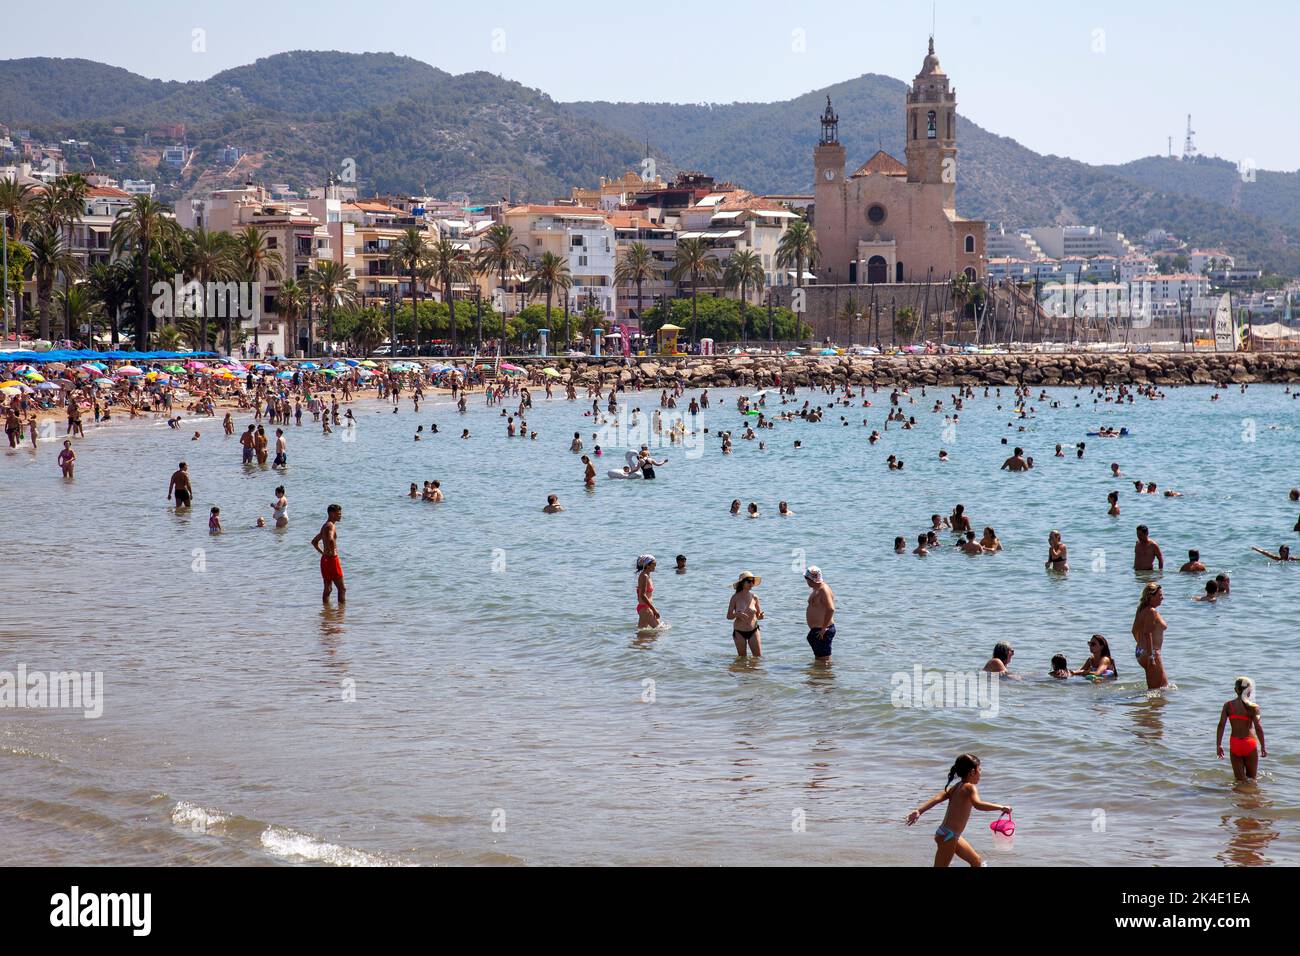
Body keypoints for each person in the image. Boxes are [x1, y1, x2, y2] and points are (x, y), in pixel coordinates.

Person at [905, 754, 1011, 868]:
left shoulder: (956, 786)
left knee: (977, 862)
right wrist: (1001, 807)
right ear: (972, 772)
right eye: (979, 769)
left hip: (948, 834)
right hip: (949, 836)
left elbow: (937, 798)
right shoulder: (970, 787)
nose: (981, 773)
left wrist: (919, 811)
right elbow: (978, 804)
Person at [1216, 677, 1267, 781]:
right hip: (1249, 743)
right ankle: (1250, 796)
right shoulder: (1254, 707)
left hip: (1235, 744)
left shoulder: (1228, 705)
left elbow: (1221, 725)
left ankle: (1238, 796)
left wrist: (1219, 745)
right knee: (1252, 779)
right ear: (1249, 691)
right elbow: (1258, 728)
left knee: (1239, 780)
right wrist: (1263, 746)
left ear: (1236, 690)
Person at [1132, 582, 1168, 689]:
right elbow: (1148, 634)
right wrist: (1151, 657)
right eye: (1160, 596)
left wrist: (1141, 645)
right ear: (1150, 596)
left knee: (1164, 686)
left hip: (1140, 652)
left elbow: (1134, 630)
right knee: (1155, 691)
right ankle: (1151, 705)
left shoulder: (1141, 609)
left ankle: (1151, 705)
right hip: (1151, 653)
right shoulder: (1152, 612)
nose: (1162, 598)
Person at [311, 504, 346, 604]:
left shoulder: (325, 526)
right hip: (332, 560)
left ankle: (326, 612)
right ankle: (341, 613)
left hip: (325, 560)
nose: (340, 515)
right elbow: (330, 539)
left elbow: (314, 541)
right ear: (331, 513)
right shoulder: (331, 526)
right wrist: (332, 550)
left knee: (328, 588)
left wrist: (323, 553)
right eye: (338, 514)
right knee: (342, 589)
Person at [727, 571, 764, 657]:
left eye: (753, 581)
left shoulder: (755, 597)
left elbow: (758, 616)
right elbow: (729, 616)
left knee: (758, 658)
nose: (751, 583)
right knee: (742, 659)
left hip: (753, 630)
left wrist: (761, 616)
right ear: (742, 583)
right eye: (749, 581)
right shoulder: (735, 597)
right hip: (739, 631)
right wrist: (737, 614)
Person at [804, 566, 835, 661]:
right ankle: (820, 675)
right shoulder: (816, 589)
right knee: (819, 661)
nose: (806, 581)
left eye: (806, 578)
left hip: (823, 630)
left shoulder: (823, 590)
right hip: (818, 630)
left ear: (811, 579)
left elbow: (831, 609)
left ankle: (825, 675)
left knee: (824, 661)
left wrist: (823, 628)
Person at [635, 554, 660, 630]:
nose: (655, 565)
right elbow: (642, 595)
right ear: (647, 565)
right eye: (654, 564)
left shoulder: (648, 575)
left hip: (645, 608)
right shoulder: (644, 576)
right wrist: (654, 609)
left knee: (642, 635)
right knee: (659, 630)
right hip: (645, 608)